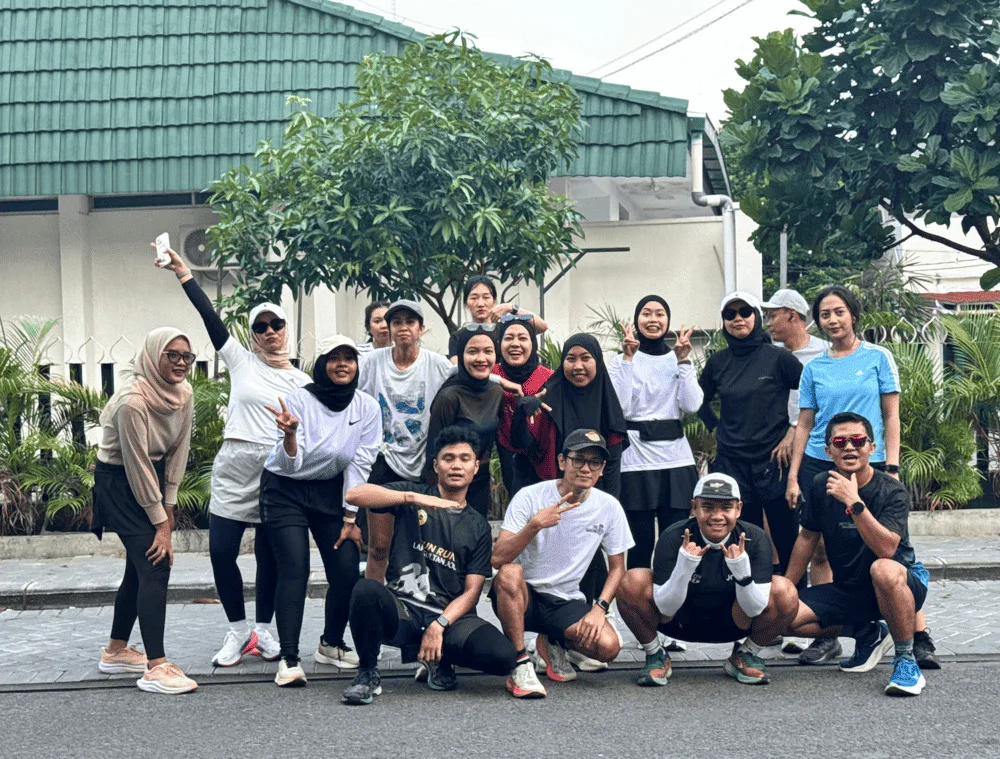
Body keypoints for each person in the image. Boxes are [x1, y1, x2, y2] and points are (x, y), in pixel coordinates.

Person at [159, 245, 309, 667]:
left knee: (269, 555)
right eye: (261, 326)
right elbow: (209, 317)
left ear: (286, 328)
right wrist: (183, 273)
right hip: (235, 464)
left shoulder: (304, 382)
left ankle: (263, 630)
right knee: (222, 550)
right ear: (254, 335)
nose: (270, 331)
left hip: (276, 469)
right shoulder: (242, 362)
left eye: (276, 324)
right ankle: (238, 630)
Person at [785, 286, 937, 668]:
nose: (832, 320)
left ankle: (918, 634)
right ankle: (830, 635)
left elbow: (891, 415)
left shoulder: (877, 357)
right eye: (825, 314)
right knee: (820, 548)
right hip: (823, 460)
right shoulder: (814, 368)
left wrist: (893, 467)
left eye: (839, 312)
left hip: (873, 462)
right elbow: (804, 423)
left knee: (892, 548)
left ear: (853, 314)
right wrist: (794, 475)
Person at [340, 427, 517, 705]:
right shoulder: (413, 496)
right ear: (436, 466)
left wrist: (440, 625)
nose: (456, 465)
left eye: (464, 459)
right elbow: (354, 495)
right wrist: (410, 497)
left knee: (503, 658)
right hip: (406, 612)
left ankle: (440, 658)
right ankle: (367, 674)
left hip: (449, 617)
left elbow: (472, 591)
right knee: (366, 590)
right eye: (448, 458)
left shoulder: (478, 526)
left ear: (475, 468)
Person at [259, 336, 381, 687]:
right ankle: (289, 658)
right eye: (334, 358)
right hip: (285, 489)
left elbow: (360, 463)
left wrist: (350, 518)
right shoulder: (299, 400)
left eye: (349, 358)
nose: (342, 364)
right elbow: (289, 463)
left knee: (346, 568)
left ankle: (331, 643)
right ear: (322, 364)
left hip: (330, 490)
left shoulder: (367, 407)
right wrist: (290, 436)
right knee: (295, 568)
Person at [785, 412, 930, 696]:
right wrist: (787, 588)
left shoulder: (892, 490)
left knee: (883, 569)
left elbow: (886, 549)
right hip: (849, 590)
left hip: (899, 587)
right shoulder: (820, 485)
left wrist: (853, 502)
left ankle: (905, 660)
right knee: (783, 616)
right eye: (840, 442)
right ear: (828, 450)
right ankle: (866, 633)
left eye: (858, 440)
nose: (849, 447)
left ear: (872, 448)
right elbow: (807, 538)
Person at [616, 473, 799, 687]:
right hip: (679, 621)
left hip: (736, 622)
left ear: (738, 509)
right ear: (694, 507)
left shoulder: (755, 538)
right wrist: (684, 567)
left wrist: (742, 573)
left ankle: (746, 654)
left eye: (726, 508)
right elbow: (665, 608)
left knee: (785, 591)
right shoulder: (673, 536)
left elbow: (754, 609)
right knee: (632, 580)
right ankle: (656, 654)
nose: (717, 516)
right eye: (708, 507)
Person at [490, 429, 634, 699]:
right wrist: (534, 525)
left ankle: (551, 640)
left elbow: (617, 568)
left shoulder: (609, 507)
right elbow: (498, 558)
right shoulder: (530, 496)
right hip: (523, 595)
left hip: (565, 600)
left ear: (602, 469)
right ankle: (520, 662)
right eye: (578, 459)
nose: (585, 468)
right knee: (509, 573)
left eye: (594, 462)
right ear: (561, 461)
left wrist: (600, 609)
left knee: (608, 647)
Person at [92, 327, 197, 694]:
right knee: (155, 562)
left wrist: (169, 504)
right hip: (118, 480)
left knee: (139, 567)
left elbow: (178, 452)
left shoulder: (183, 394)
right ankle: (156, 666)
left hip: (150, 474)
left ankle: (116, 651)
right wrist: (162, 525)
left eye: (187, 356)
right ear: (153, 356)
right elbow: (135, 467)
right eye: (173, 355)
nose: (181, 363)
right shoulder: (131, 402)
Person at [697, 291, 802, 576]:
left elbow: (811, 394)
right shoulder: (718, 362)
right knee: (745, 537)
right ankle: (750, 596)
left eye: (745, 312)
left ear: (756, 316)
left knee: (786, 536)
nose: (738, 319)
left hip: (774, 460)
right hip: (732, 462)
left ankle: (792, 595)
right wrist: (715, 426)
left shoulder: (779, 359)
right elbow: (698, 401)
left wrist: (793, 430)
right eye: (729, 314)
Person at [358, 299, 453, 583]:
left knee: (423, 546)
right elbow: (348, 393)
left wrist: (505, 383)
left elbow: (473, 379)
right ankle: (374, 601)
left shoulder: (436, 365)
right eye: (396, 322)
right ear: (388, 328)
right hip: (383, 461)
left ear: (421, 329)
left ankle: (421, 601)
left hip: (423, 463)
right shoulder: (372, 363)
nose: (403, 328)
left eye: (410, 322)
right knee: (378, 547)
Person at [609, 295, 702, 569]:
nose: (653, 319)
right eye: (646, 313)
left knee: (676, 542)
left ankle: (674, 597)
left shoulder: (679, 358)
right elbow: (621, 407)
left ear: (668, 320)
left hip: (676, 461)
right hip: (636, 461)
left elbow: (692, 405)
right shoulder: (619, 361)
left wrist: (684, 361)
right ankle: (638, 596)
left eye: (659, 314)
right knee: (641, 544)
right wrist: (628, 359)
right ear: (636, 319)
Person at [761, 287, 829, 656]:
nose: (768, 321)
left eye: (773, 314)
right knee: (779, 541)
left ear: (793, 315)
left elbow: (814, 411)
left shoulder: (823, 353)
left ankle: (818, 624)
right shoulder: (769, 355)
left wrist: (792, 434)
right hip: (774, 461)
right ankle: (784, 617)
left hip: (813, 456)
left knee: (817, 544)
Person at [424, 326, 504, 518]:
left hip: (480, 483)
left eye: (488, 351)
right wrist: (433, 500)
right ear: (461, 355)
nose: (481, 358)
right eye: (473, 352)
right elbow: (433, 451)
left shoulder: (497, 393)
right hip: (449, 485)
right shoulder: (449, 397)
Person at [493, 315, 554, 498]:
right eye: (508, 338)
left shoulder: (549, 378)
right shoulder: (493, 374)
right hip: (508, 457)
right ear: (499, 344)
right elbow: (461, 372)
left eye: (522, 338)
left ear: (533, 344)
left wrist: (512, 309)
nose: (515, 344)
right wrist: (501, 381)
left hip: (543, 462)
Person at [447, 275, 548, 364]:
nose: (480, 303)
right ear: (466, 304)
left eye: (486, 297)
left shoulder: (506, 330)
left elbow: (542, 327)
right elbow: (457, 368)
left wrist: (511, 308)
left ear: (494, 301)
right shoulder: (457, 337)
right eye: (474, 298)